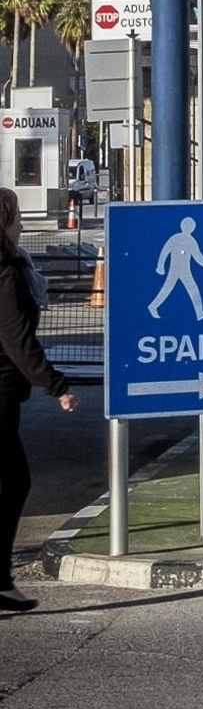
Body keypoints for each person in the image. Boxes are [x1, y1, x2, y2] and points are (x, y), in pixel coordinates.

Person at [0, 187, 75, 613]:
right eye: (16, 220)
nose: (23, 226)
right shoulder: (6, 271)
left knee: (14, 481)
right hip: (0, 392)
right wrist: (57, 385)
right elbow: (17, 340)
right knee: (15, 482)